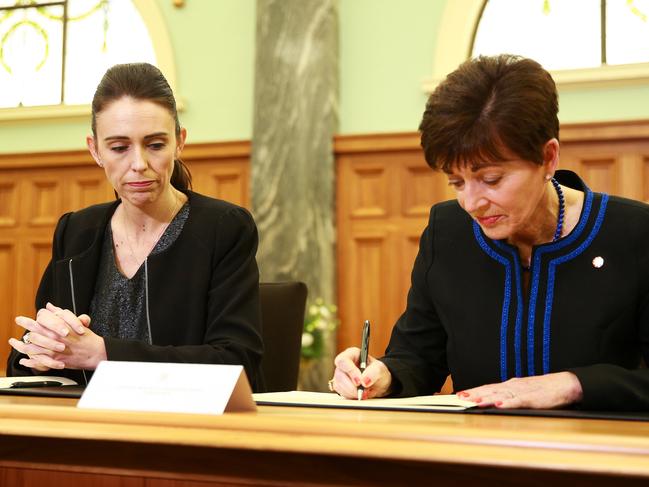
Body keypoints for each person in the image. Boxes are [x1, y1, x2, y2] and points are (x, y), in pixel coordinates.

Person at [332, 54, 649, 411]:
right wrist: (382, 375)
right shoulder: (448, 232)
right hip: (474, 455)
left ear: (548, 158)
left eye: (491, 179)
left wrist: (574, 384)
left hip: (596, 457)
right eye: (456, 181)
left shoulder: (632, 233)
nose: (471, 203)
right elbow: (419, 357)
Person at [7, 63, 264, 391]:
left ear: (179, 142)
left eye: (156, 145)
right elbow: (28, 356)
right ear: (95, 150)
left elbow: (238, 363)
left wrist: (103, 353)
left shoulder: (224, 228)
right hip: (85, 429)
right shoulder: (76, 230)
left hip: (186, 428)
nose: (139, 164)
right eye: (119, 148)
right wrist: (42, 353)